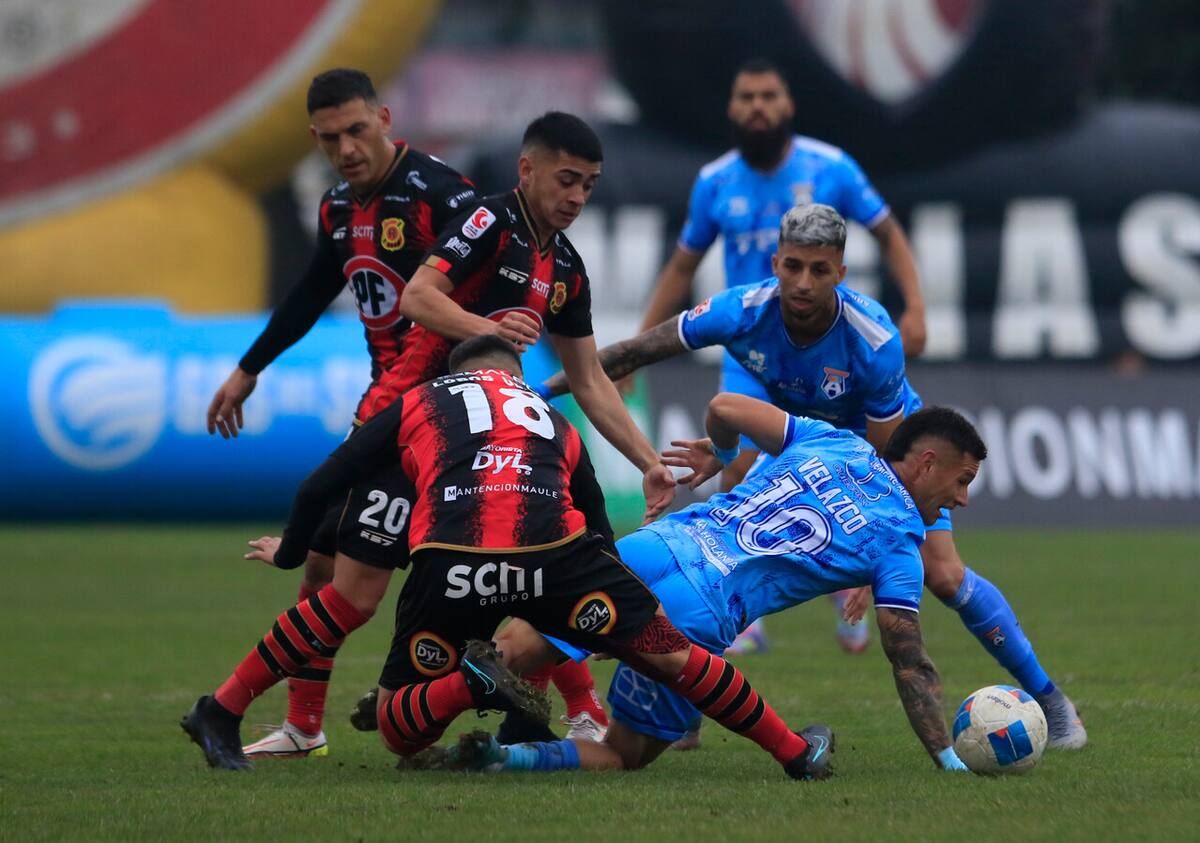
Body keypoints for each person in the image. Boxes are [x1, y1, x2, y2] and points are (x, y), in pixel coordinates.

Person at [542, 204, 1088, 751]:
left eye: (819, 270)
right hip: (804, 439)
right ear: (776, 264)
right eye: (794, 267)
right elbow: (631, 353)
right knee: (723, 540)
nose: (803, 282)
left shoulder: (873, 339)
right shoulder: (740, 310)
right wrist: (535, 391)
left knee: (943, 574)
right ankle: (683, 701)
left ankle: (1051, 700)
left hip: (886, 455)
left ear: (840, 273)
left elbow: (886, 461)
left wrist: (872, 561)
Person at [182, 336, 830, 782]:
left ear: (453, 374)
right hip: (558, 559)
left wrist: (292, 552)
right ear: (515, 376)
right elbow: (594, 522)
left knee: (400, 728)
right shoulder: (551, 416)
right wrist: (615, 616)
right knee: (675, 656)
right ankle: (794, 752)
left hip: (451, 558)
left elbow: (321, 483)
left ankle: (473, 683)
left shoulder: (421, 400)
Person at [435, 398, 987, 775]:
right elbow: (909, 659)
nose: (961, 500)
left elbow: (724, 408)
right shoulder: (900, 544)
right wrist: (948, 759)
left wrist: (721, 454)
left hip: (654, 547)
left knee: (518, 646)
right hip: (697, 611)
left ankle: (416, 722)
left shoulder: (833, 441)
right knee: (625, 753)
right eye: (961, 481)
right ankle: (504, 759)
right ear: (927, 463)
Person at [201, 68, 478, 758]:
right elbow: (310, 293)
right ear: (314, 139)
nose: (347, 149)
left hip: (444, 417)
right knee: (322, 571)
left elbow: (477, 301)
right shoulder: (336, 208)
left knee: (482, 564)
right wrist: (249, 367)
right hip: (387, 412)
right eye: (330, 139)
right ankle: (303, 725)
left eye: (356, 130)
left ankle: (580, 710)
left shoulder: (442, 196)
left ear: (384, 118)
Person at [633, 58, 926, 490]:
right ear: (731, 108)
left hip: (826, 343)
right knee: (735, 470)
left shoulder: (832, 167)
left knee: (854, 467)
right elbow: (681, 266)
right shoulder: (714, 181)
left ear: (789, 105)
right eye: (747, 97)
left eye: (768, 96)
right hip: (753, 347)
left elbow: (889, 234)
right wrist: (639, 349)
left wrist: (916, 308)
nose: (758, 106)